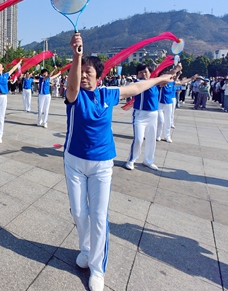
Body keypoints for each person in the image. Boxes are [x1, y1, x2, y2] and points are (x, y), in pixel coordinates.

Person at [64, 33, 172, 291]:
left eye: (90, 72)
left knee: (99, 216)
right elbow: (72, 86)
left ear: (99, 77)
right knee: (79, 213)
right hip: (74, 162)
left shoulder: (107, 94)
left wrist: (160, 78)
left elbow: (135, 88)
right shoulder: (74, 95)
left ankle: (98, 269)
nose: (86, 75)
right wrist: (77, 57)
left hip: (102, 164)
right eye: (83, 71)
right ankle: (87, 249)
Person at [125, 63, 168, 171]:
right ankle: (131, 160)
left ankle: (148, 161)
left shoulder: (155, 83)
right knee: (138, 139)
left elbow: (167, 80)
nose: (143, 74)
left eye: (145, 72)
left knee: (151, 139)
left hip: (153, 115)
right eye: (140, 72)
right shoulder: (138, 82)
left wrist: (175, 70)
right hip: (140, 115)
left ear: (150, 73)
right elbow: (160, 80)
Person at [0, 50, 22, 144]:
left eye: (0, 65)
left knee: (1, 118)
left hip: (4, 97)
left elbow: (13, 69)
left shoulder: (5, 75)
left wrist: (19, 63)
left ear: (3, 68)